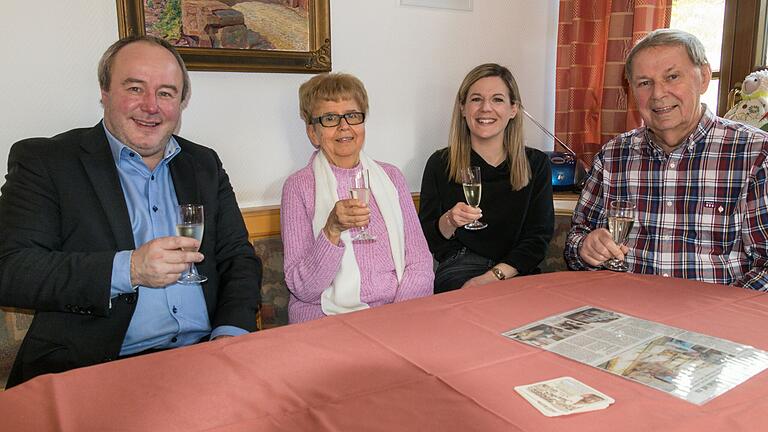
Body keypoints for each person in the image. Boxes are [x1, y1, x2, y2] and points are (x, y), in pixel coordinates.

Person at [0, 35, 262, 387]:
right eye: (135, 88)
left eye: (166, 92)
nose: (151, 105)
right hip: (92, 371)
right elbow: (11, 270)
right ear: (104, 93)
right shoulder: (47, 162)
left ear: (182, 103)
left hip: (205, 359)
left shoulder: (204, 164)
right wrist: (130, 269)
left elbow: (237, 258)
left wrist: (229, 336)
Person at [564, 28, 768, 290]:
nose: (658, 94)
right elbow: (575, 241)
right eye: (644, 83)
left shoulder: (756, 154)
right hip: (622, 314)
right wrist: (585, 248)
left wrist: (716, 316)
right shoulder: (613, 156)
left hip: (715, 318)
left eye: (672, 77)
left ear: (703, 77)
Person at [281, 72, 434, 323]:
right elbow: (303, 289)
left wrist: (395, 318)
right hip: (326, 320)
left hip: (397, 315)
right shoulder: (298, 187)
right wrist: (331, 230)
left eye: (352, 115)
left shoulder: (391, 177)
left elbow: (421, 265)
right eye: (330, 118)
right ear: (313, 133)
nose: (344, 127)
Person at [419, 63, 554, 293]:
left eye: (498, 99)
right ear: (462, 108)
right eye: (476, 99)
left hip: (516, 270)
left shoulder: (536, 163)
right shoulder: (440, 164)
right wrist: (450, 220)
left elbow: (537, 239)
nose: (485, 108)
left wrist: (494, 276)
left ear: (513, 109)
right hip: (460, 268)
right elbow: (427, 239)